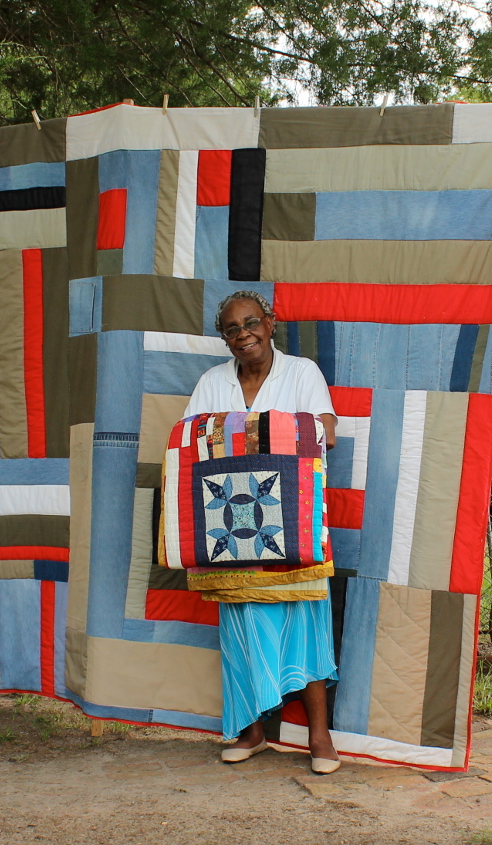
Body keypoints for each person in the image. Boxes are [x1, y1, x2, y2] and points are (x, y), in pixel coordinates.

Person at [183, 290, 341, 774]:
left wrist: (240, 436)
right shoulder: (212, 381)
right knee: (243, 627)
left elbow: (326, 432)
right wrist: (262, 438)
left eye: (251, 322)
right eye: (231, 328)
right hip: (231, 526)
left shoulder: (302, 372)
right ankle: (251, 731)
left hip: (292, 518)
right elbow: (191, 442)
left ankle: (319, 737)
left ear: (271, 323)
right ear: (224, 338)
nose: (242, 333)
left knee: (306, 623)